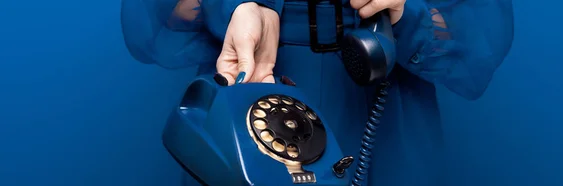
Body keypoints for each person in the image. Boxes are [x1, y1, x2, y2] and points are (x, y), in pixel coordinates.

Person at [121, 0, 514, 185]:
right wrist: (238, 5)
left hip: (381, 84)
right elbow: (154, 15)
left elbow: (479, 35)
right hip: (257, 70)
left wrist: (405, 9)